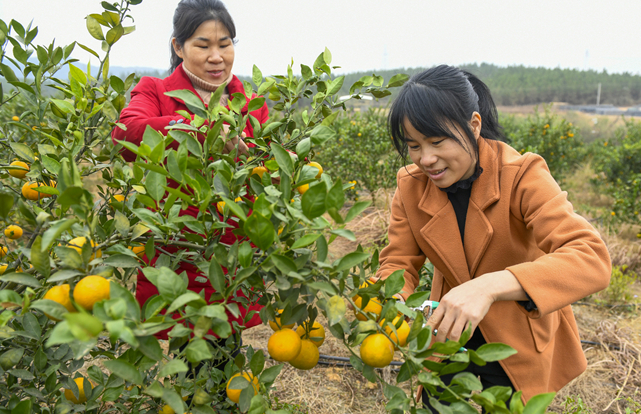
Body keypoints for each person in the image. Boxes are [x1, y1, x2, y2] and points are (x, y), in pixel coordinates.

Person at [376, 65, 611, 408]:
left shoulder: (521, 175)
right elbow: (398, 262)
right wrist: (388, 302)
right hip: (448, 332)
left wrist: (487, 286)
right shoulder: (411, 186)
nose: (426, 159)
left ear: (473, 125)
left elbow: (590, 257)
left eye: (437, 141)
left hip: (517, 338)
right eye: (413, 145)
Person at [111, 0, 267, 365]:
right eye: (203, 45)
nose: (217, 56)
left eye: (225, 43)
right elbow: (126, 135)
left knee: (225, 354)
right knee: (191, 352)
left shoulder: (250, 103)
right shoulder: (155, 91)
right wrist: (198, 128)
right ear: (178, 47)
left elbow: (269, 167)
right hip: (182, 249)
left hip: (233, 252)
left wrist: (252, 155)